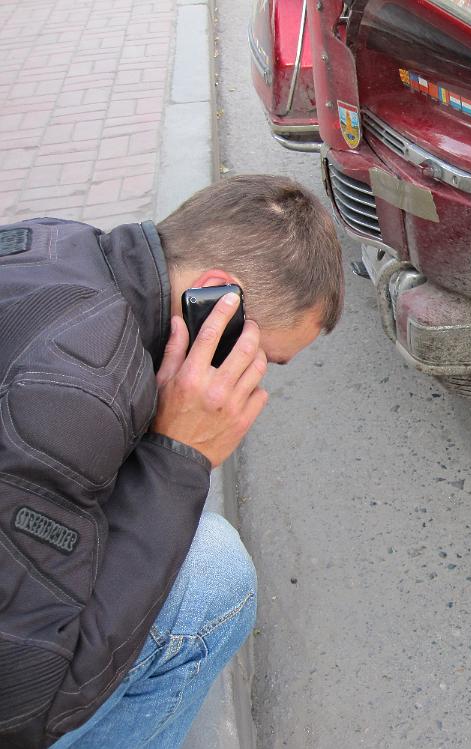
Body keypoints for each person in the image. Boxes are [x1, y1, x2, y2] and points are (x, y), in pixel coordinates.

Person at [0, 174, 344, 748]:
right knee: (216, 575)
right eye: (268, 359)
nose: (257, 379)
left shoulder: (55, 245)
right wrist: (176, 460)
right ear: (217, 300)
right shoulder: (81, 397)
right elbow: (25, 702)